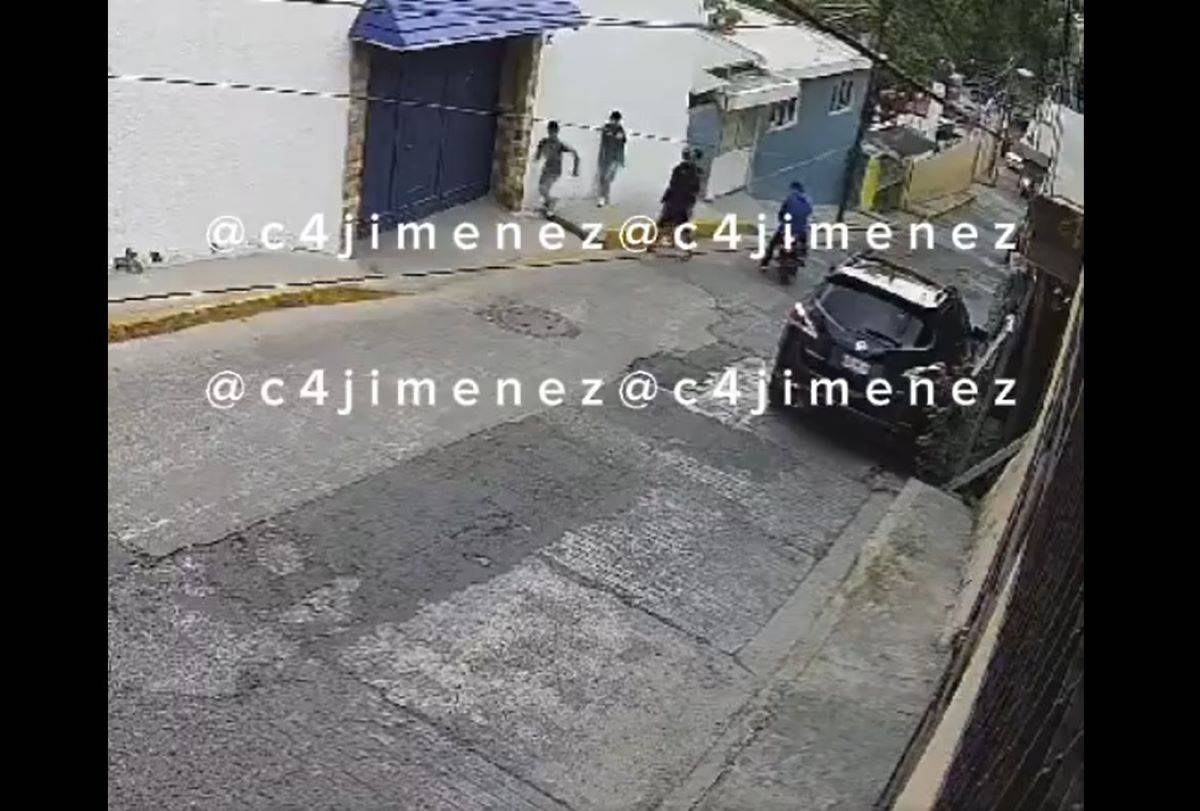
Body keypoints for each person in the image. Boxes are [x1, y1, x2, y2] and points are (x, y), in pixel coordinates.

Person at [654, 148, 702, 249]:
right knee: (682, 224)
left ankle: (653, 243)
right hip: (683, 202)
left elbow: (672, 184)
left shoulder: (677, 169)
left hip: (672, 200)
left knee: (663, 222)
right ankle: (686, 245)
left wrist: (665, 197)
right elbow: (695, 189)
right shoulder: (696, 172)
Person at [760, 181, 813, 268]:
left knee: (772, 244)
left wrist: (782, 219)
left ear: (793, 189)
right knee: (803, 241)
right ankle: (802, 256)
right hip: (800, 230)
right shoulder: (808, 200)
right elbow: (809, 213)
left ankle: (765, 263)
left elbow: (782, 212)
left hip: (786, 228)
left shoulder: (790, 198)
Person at [534, 121, 579, 215]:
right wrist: (537, 156)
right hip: (546, 169)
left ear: (557, 132)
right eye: (550, 132)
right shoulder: (544, 142)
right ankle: (547, 204)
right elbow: (538, 153)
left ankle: (551, 203)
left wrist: (575, 169)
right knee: (541, 189)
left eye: (554, 132)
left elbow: (575, 154)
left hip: (555, 171)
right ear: (548, 131)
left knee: (543, 188)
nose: (552, 135)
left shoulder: (560, 144)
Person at [597, 111, 626, 207]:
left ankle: (604, 198)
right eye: (613, 120)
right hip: (604, 157)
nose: (614, 122)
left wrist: (621, 161)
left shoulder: (621, 130)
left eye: (616, 121)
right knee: (602, 179)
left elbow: (623, 142)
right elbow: (603, 140)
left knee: (607, 178)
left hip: (615, 160)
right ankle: (604, 197)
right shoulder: (606, 128)